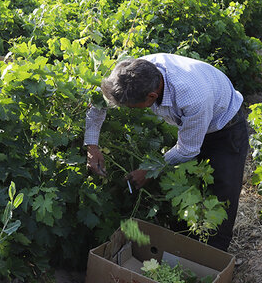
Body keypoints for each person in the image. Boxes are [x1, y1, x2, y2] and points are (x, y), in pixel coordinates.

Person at [84, 53, 249, 251]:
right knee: (185, 190)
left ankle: (212, 261)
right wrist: (92, 146)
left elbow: (187, 150)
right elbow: (100, 102)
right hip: (192, 126)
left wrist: (149, 170)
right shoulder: (130, 73)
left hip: (225, 128)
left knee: (222, 197)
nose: (128, 109)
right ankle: (180, 248)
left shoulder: (192, 97)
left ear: (152, 97)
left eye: (131, 107)